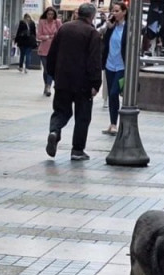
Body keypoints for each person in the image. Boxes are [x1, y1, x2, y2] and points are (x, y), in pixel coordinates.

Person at [44, 2, 102, 161]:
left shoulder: (64, 28)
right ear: (92, 16)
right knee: (82, 116)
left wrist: (52, 73)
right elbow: (94, 61)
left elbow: (52, 53)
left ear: (78, 13)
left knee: (61, 110)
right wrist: (96, 83)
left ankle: (54, 131)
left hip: (62, 80)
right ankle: (77, 150)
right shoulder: (92, 33)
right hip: (83, 83)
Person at [101, 1, 127, 136]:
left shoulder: (128, 28)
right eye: (113, 11)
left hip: (121, 66)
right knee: (112, 96)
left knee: (113, 93)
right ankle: (112, 123)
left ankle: (120, 123)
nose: (114, 13)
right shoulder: (111, 27)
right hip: (110, 65)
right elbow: (103, 41)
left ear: (124, 12)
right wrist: (108, 27)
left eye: (117, 11)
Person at [37, 6, 61, 96]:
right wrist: (47, 37)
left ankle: (48, 87)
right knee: (46, 69)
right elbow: (39, 36)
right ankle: (46, 85)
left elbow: (61, 33)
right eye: (48, 14)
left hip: (54, 49)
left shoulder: (57, 22)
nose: (50, 16)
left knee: (50, 69)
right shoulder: (42, 22)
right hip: (43, 49)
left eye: (52, 14)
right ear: (46, 14)